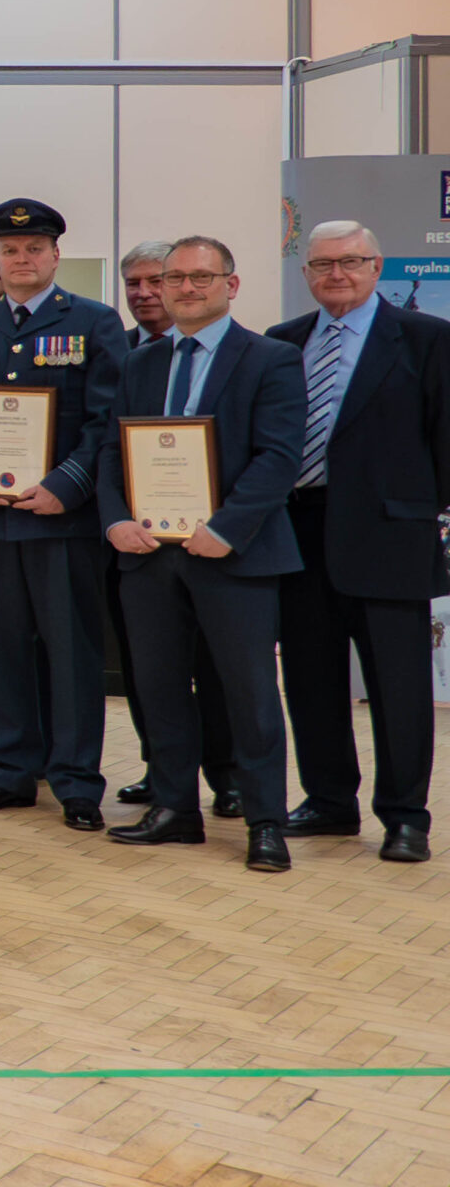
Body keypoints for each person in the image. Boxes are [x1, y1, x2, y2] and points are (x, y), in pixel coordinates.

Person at [97, 237, 302, 871]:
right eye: (174, 278)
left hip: (233, 554)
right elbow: (112, 453)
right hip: (148, 554)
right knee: (157, 688)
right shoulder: (141, 363)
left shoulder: (271, 357)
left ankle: (265, 820)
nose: (186, 288)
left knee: (249, 695)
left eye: (201, 277)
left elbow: (279, 458)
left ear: (230, 285)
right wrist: (114, 521)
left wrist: (227, 527)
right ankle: (174, 809)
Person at [0, 198, 125, 833]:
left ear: (55, 255)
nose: (21, 258)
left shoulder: (93, 322)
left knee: (69, 654)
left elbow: (107, 423)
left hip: (59, 520)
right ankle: (9, 772)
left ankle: (75, 781)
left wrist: (70, 485)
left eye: (34, 248)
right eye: (10, 250)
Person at [272, 219, 450, 864]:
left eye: (350, 262)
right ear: (306, 275)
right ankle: (328, 802)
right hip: (296, 533)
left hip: (388, 538)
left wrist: (422, 512)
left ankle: (406, 817)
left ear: (378, 267)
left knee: (398, 688)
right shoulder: (283, 342)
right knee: (312, 681)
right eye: (322, 265)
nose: (335, 275)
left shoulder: (428, 338)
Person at [106, 240, 234, 811]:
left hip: (219, 547)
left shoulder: (246, 352)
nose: (144, 292)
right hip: (143, 546)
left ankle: (228, 779)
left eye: (155, 280)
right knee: (149, 671)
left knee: (219, 669)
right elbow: (106, 449)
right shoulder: (127, 357)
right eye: (133, 283)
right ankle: (165, 774)